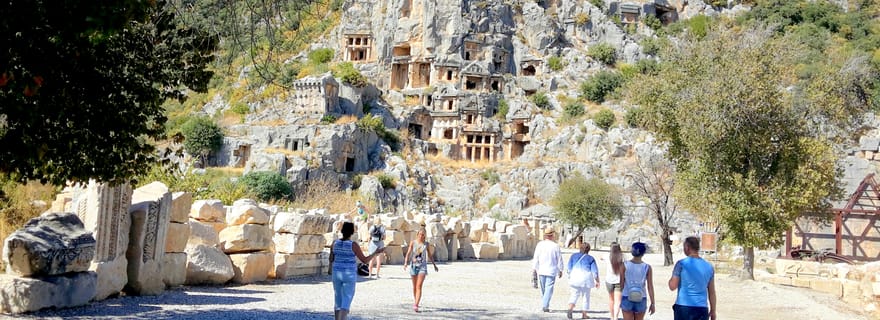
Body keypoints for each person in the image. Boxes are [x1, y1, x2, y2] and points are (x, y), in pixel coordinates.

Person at [328, 222, 385, 320]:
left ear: (342, 231)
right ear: (352, 232)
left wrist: (330, 270)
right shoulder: (353, 245)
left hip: (336, 273)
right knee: (347, 298)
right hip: (349, 274)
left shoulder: (334, 243)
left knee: (338, 298)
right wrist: (375, 253)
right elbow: (364, 260)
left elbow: (331, 258)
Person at [668, 236, 717, 320]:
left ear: (687, 247)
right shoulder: (709, 267)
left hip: (684, 306)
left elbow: (672, 286)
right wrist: (713, 310)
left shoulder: (681, 264)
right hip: (701, 307)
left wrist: (671, 280)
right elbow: (711, 292)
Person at [403, 228, 439, 312]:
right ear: (417, 234)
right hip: (413, 266)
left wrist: (434, 265)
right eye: (420, 234)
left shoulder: (426, 244)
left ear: (425, 235)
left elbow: (430, 255)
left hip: (422, 267)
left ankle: (416, 304)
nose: (421, 236)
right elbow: (408, 253)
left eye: (423, 234)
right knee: (414, 287)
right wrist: (405, 263)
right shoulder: (413, 242)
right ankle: (416, 301)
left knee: (419, 286)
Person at [531, 225, 564, 313]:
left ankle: (545, 304)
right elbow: (559, 259)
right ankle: (545, 305)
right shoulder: (555, 246)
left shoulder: (540, 244)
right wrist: (560, 269)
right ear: (552, 235)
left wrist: (534, 268)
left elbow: (536, 257)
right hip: (551, 270)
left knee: (543, 289)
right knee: (549, 288)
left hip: (541, 269)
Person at [619, 242, 655, 320]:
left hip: (626, 296)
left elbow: (621, 284)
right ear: (643, 253)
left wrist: (618, 298)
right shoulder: (647, 267)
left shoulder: (624, 265)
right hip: (641, 297)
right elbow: (650, 286)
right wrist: (652, 303)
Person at [566, 239, 600, 319]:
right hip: (586, 278)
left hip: (575, 277)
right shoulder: (591, 258)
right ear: (588, 250)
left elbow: (569, 268)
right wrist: (597, 281)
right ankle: (584, 314)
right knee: (586, 296)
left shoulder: (573, 256)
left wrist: (569, 275)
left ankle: (570, 308)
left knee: (574, 294)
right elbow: (595, 272)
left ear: (580, 248)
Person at [605, 243, 624, 320]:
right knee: (618, 301)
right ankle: (616, 317)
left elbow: (600, 257)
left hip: (609, 280)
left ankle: (612, 316)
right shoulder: (622, 257)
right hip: (619, 280)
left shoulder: (607, 256)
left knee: (611, 299)